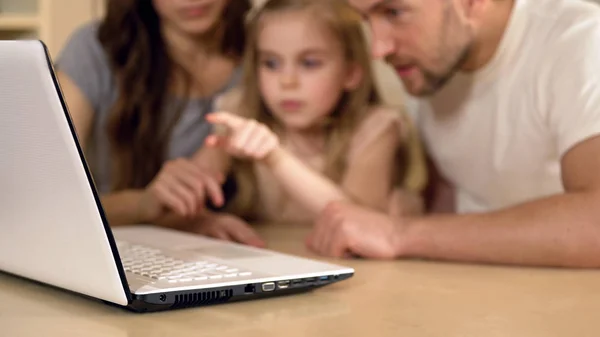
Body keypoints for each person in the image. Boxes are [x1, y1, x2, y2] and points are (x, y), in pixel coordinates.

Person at [307, 0, 600, 268]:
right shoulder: (428, 68)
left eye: (394, 13)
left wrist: (399, 233)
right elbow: (454, 198)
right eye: (365, 19)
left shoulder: (583, 41)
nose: (378, 50)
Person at [56, 0, 265, 247]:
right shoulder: (96, 48)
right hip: (113, 245)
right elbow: (52, 202)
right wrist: (145, 204)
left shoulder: (267, 50)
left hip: (225, 250)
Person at [199, 0, 427, 225]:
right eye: (271, 63)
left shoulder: (375, 127)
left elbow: (360, 225)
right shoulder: (243, 115)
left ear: (350, 72)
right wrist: (196, 215)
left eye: (309, 63)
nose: (287, 81)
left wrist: (275, 157)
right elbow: (184, 198)